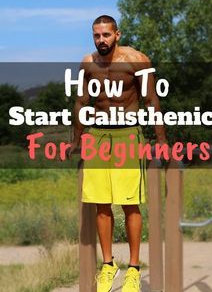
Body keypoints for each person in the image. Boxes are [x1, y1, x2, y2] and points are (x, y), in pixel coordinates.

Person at [68, 15, 166, 292]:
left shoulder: (137, 59)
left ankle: (133, 269)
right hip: (98, 136)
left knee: (130, 203)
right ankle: (108, 265)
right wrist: (77, 139)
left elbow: (151, 100)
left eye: (106, 35)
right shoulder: (88, 63)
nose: (101, 40)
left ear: (117, 34)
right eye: (96, 35)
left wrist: (161, 139)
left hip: (127, 134)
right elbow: (81, 102)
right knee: (101, 205)